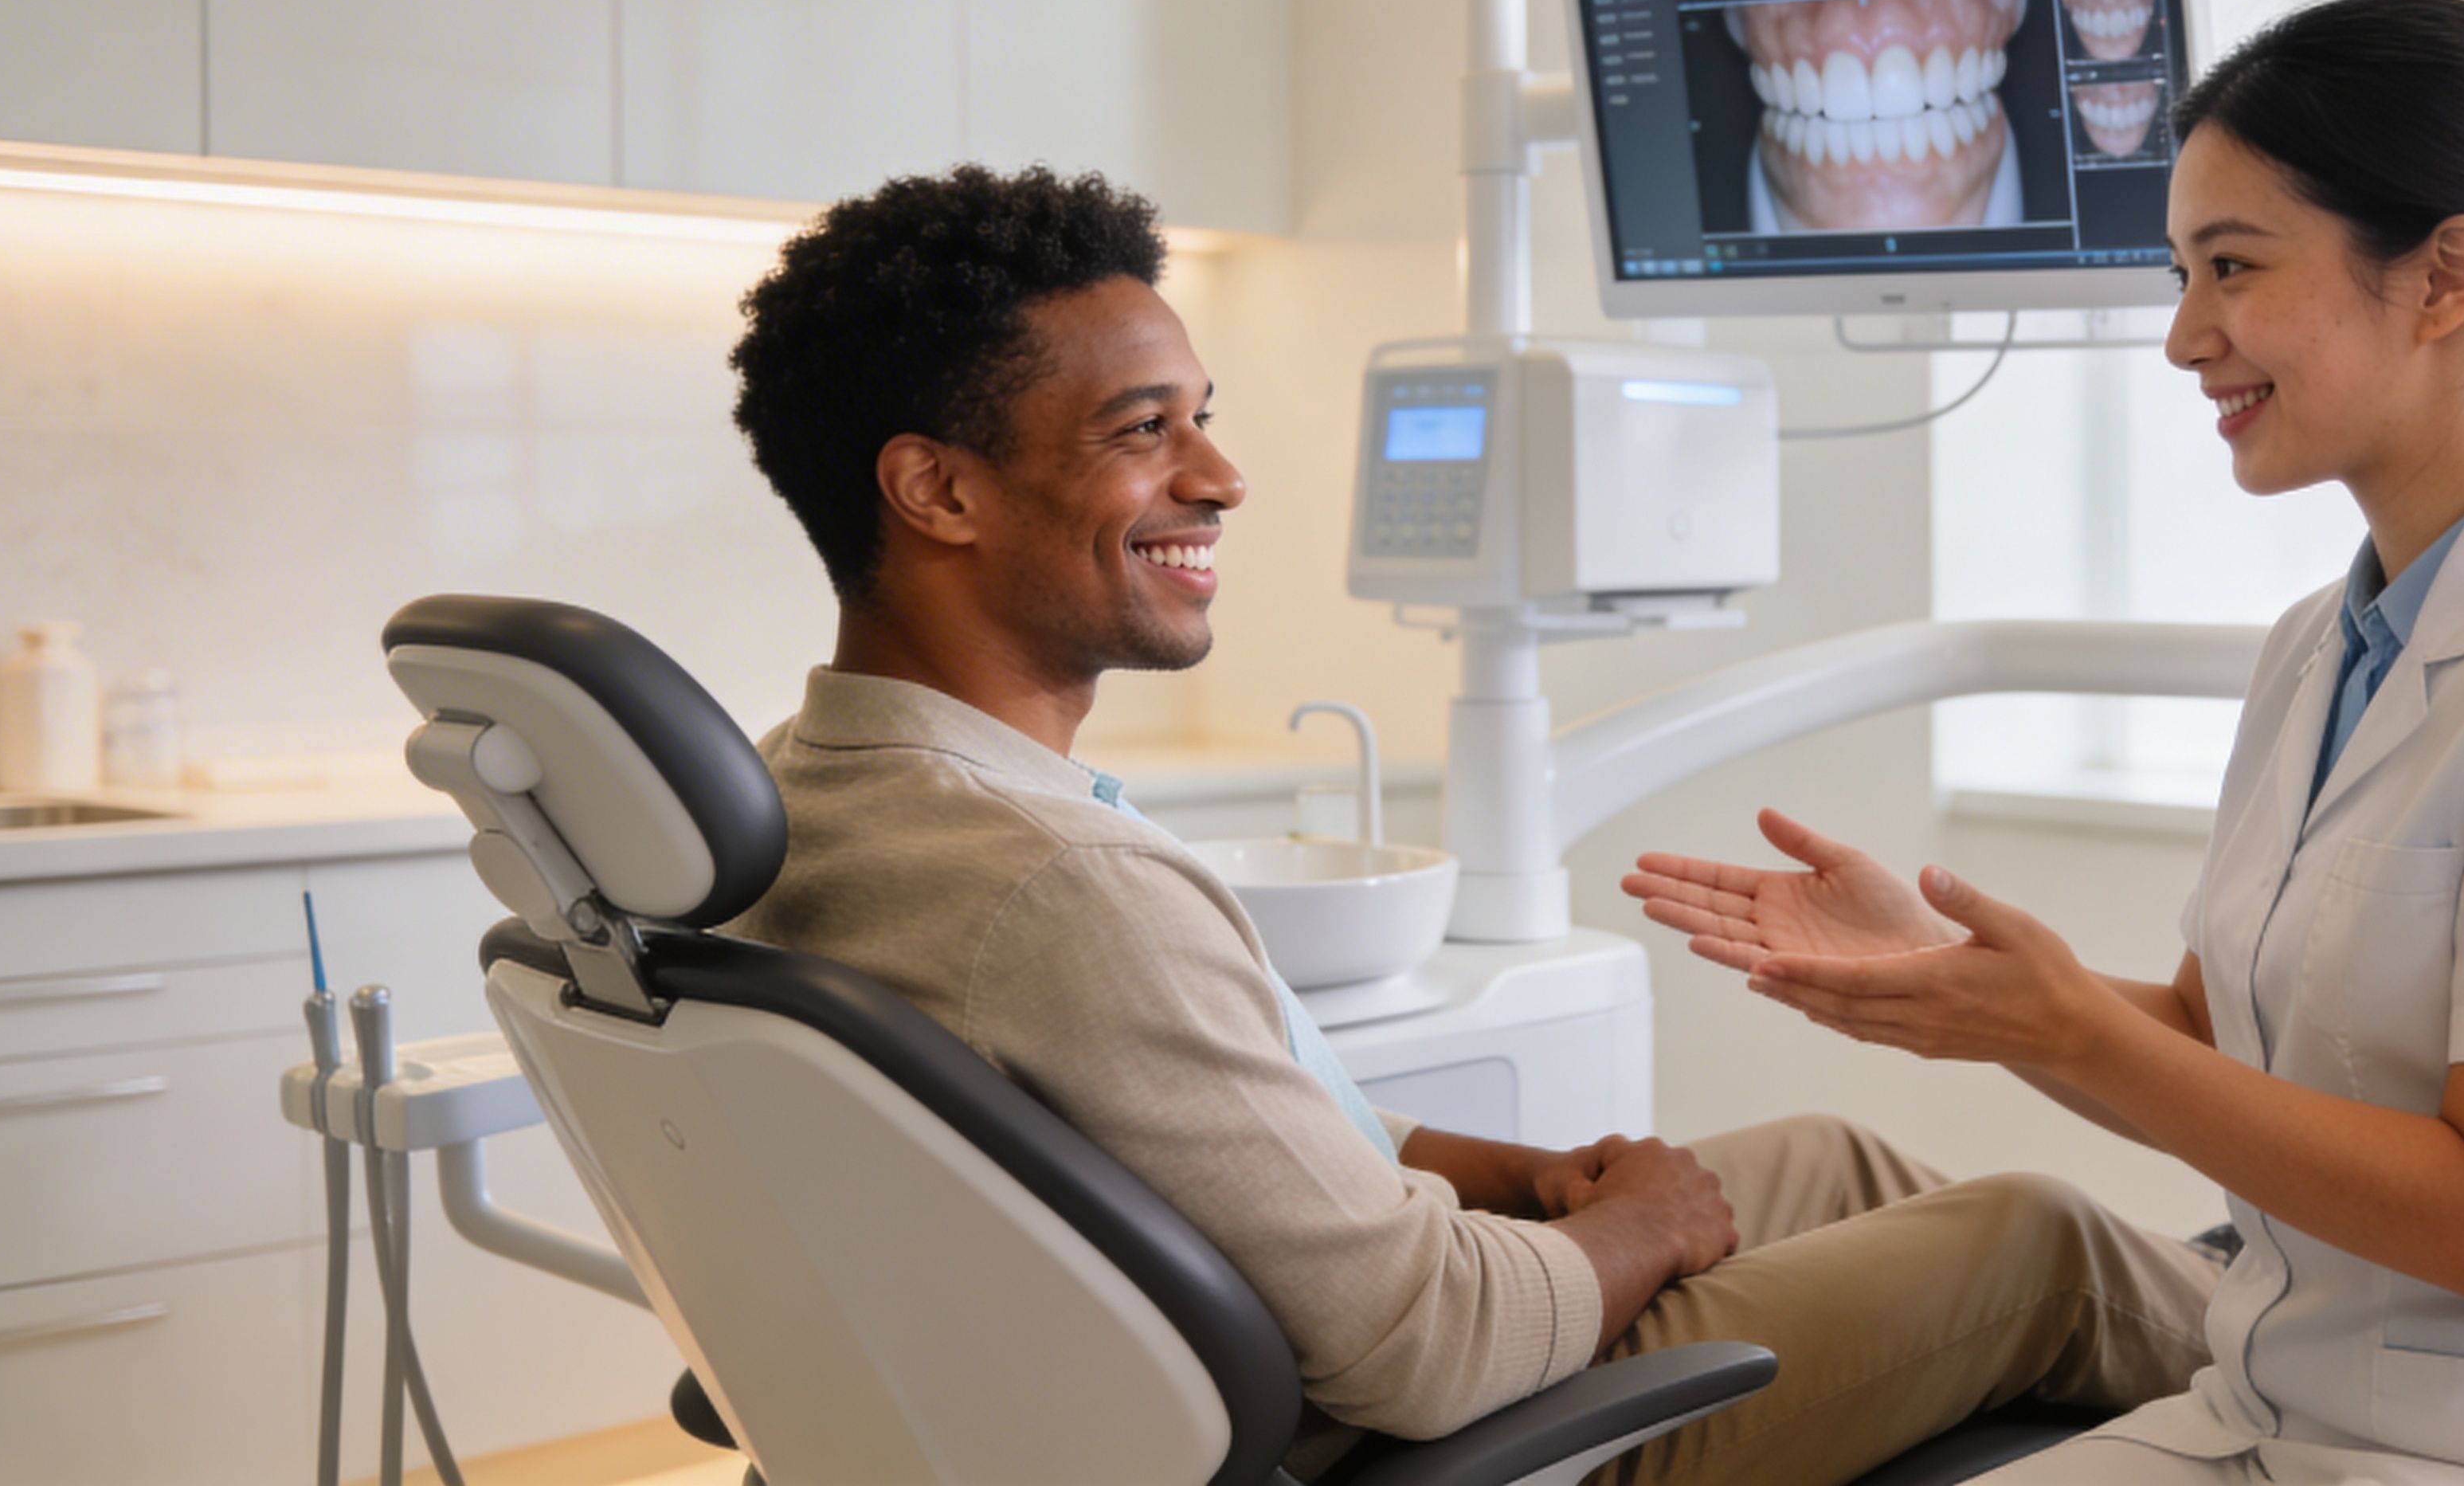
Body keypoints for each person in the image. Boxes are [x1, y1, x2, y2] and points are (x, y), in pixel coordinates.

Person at [719, 163, 2221, 1486]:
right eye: (1144, 430)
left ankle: (2236, 1323)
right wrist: (1633, 1231)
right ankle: (2355, 1398)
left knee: (1829, 1156)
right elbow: (1425, 1350)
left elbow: (1196, 1148)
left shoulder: (815, 796)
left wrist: (1521, 1175)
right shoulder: (1054, 886)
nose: (1222, 477)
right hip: (1436, 1436)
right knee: (2037, 1236)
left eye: (1205, 420)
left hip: (1300, 1343)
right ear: (936, 490)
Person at [1625, 0, 2464, 1485]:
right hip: (2276, 1403)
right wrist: (1959, 990)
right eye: (2184, 274)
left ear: (2447, 276)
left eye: (2233, 270)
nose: (2187, 338)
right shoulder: (2324, 643)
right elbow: (2216, 1037)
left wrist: (2065, 1029)